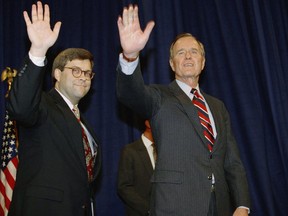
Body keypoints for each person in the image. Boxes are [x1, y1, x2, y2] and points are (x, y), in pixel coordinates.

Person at [116, 5, 251, 216]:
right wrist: (130, 56)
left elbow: (232, 161)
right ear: (172, 63)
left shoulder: (217, 106)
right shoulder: (159, 97)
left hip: (220, 206)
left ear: (203, 62)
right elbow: (129, 93)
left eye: (194, 52)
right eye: (181, 53)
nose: (188, 56)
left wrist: (242, 204)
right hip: (176, 205)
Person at [6, 2, 101, 216]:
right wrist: (38, 51)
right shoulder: (42, 105)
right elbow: (20, 107)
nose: (83, 77)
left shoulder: (83, 124)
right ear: (57, 74)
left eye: (87, 73)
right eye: (76, 70)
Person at [117, 120, 156, 216]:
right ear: (148, 123)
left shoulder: (164, 151)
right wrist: (149, 209)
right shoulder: (130, 151)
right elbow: (124, 187)